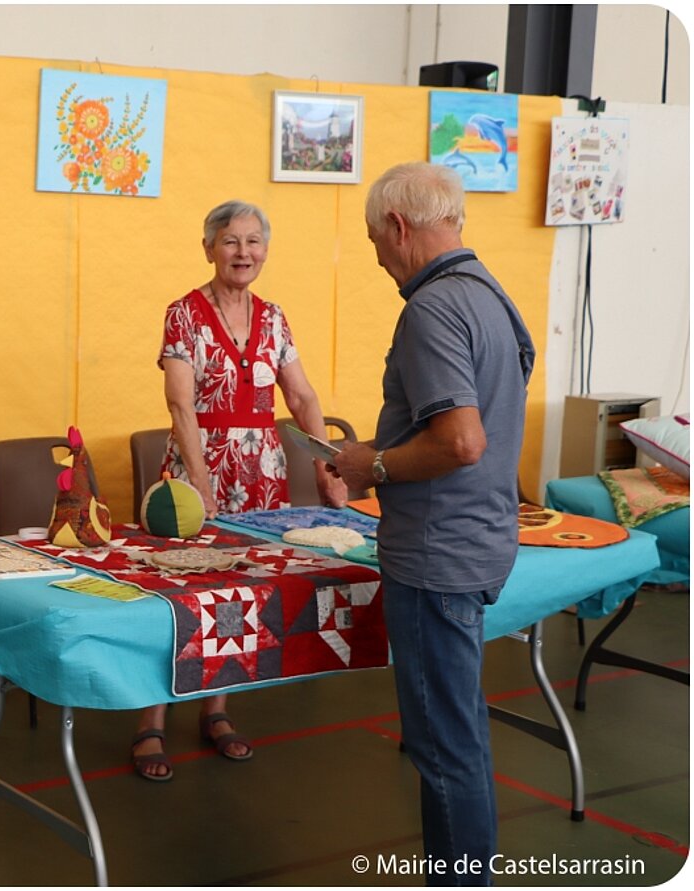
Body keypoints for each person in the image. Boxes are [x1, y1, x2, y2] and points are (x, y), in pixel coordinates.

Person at [332, 162, 535, 884]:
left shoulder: (432, 307)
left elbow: (461, 441)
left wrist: (373, 466)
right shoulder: (491, 295)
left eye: (373, 242)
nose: (377, 259)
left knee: (444, 748)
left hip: (436, 552)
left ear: (398, 226)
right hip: (480, 538)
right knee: (459, 732)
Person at [131, 199, 347, 782]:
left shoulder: (274, 318)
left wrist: (326, 466)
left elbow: (301, 397)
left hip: (262, 472)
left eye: (253, 242)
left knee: (242, 592)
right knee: (181, 592)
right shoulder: (184, 314)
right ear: (209, 248)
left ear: (265, 250)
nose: (243, 252)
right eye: (230, 241)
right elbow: (180, 403)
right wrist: (200, 482)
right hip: (197, 468)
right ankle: (152, 720)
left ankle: (216, 709)